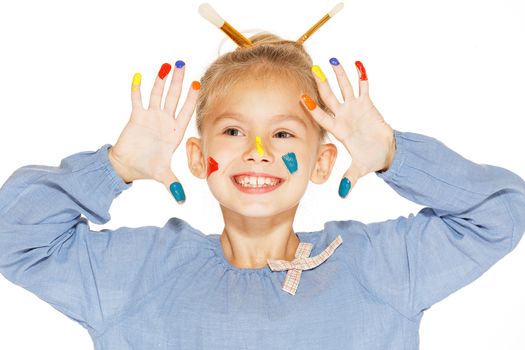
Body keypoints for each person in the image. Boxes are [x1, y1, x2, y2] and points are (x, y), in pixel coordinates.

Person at [0, 32, 524, 349]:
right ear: (197, 157)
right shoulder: (134, 272)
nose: (258, 151)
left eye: (283, 133)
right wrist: (115, 167)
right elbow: (12, 238)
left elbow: (502, 211)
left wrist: (393, 153)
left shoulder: (381, 264)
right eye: (232, 131)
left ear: (322, 162)